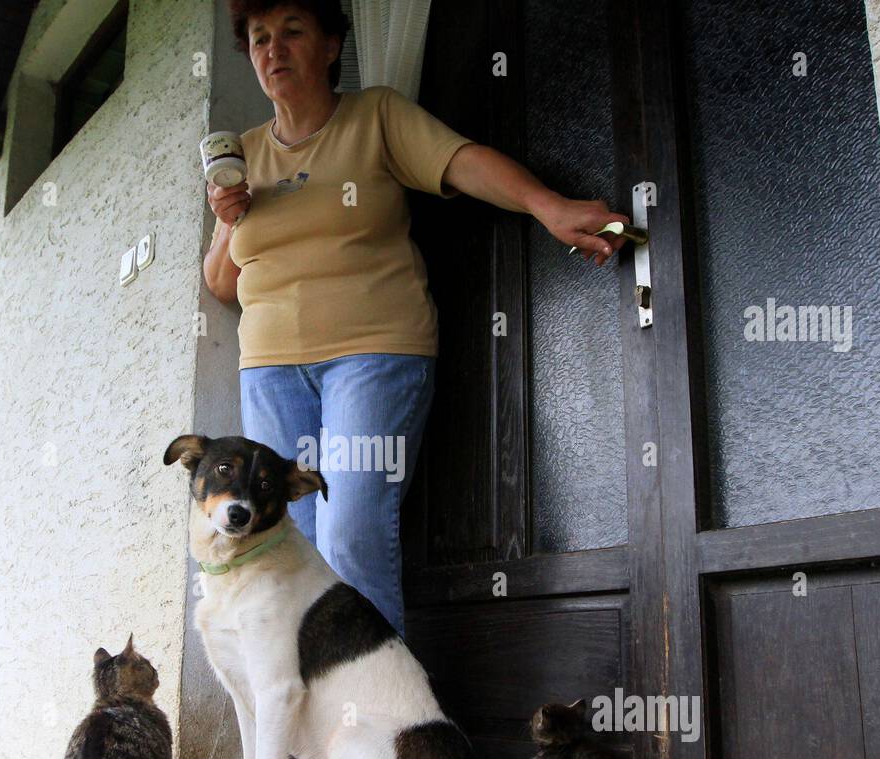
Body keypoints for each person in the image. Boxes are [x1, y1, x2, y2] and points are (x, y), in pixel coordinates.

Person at [203, 0, 628, 636]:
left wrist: (548, 205)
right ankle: (321, 726)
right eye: (260, 39)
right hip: (268, 372)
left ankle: (385, 726)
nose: (274, 50)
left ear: (329, 47)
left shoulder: (374, 116)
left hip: (371, 354)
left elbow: (463, 161)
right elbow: (221, 283)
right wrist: (228, 217)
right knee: (291, 549)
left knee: (350, 534)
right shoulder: (244, 157)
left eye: (292, 32)